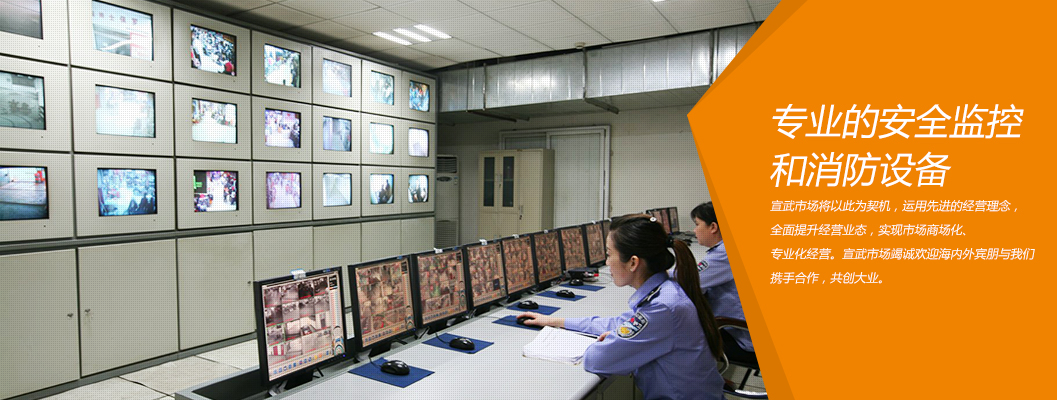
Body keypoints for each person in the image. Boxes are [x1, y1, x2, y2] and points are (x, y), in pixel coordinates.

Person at [520, 214, 724, 400]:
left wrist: (612, 340)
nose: (607, 262)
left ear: (633, 262)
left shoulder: (662, 308)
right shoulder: (665, 290)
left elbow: (597, 360)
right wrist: (557, 321)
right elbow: (619, 323)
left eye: (609, 254)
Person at [681, 202, 755, 362]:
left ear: (713, 227)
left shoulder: (724, 254)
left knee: (679, 339)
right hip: (741, 328)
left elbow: (689, 281)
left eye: (697, 224)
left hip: (741, 337)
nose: (694, 230)